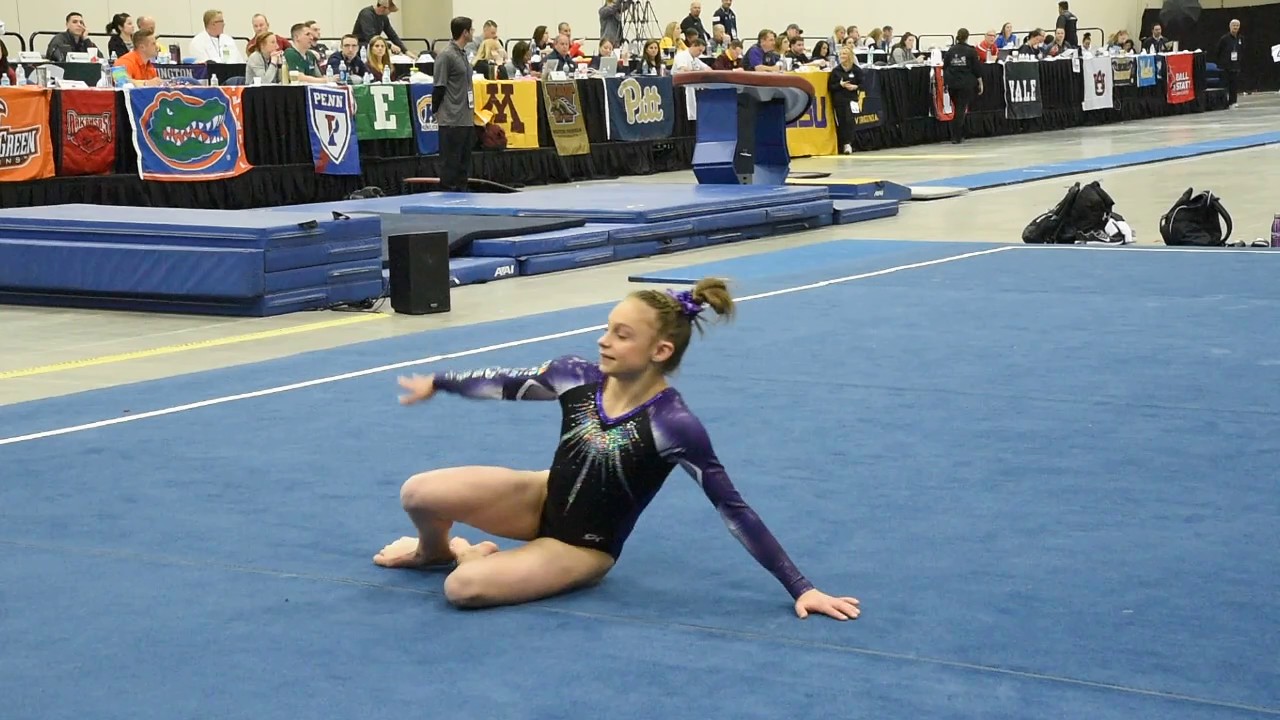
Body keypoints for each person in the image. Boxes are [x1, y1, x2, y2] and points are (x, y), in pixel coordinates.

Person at [375, 279, 861, 621]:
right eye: (607, 328)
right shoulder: (575, 375)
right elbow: (504, 384)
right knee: (419, 492)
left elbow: (734, 510)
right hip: (541, 497)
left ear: (660, 352)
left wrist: (802, 587)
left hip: (582, 548)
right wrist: (439, 382)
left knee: (464, 590)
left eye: (621, 335)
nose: (603, 341)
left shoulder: (674, 425)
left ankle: (464, 553)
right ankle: (432, 552)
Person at [433, 17, 475, 193]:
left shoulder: (463, 54)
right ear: (465, 32)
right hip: (451, 117)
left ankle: (462, 191)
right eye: (471, 30)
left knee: (463, 162)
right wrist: (435, 111)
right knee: (450, 161)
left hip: (466, 117)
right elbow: (439, 86)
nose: (473, 32)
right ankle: (448, 194)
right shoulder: (446, 56)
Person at [943, 28, 982, 144]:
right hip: (965, 84)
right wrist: (980, 82)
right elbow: (976, 68)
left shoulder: (950, 50)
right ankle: (956, 135)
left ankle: (957, 134)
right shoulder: (970, 51)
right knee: (961, 109)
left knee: (957, 108)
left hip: (953, 84)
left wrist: (946, 82)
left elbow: (945, 66)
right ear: (967, 37)